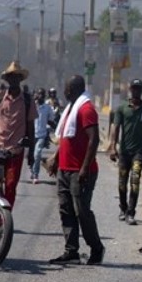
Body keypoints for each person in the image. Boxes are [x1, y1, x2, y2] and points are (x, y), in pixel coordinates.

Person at [46, 75, 105, 266]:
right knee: (66, 209)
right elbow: (66, 138)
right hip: (65, 169)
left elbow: (94, 139)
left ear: (72, 89)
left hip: (80, 171)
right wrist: (56, 158)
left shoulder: (86, 109)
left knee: (82, 212)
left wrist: (84, 168)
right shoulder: (70, 110)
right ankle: (71, 250)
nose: (64, 91)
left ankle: (96, 248)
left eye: (66, 88)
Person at [0, 61, 37, 208]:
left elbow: (31, 128)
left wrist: (31, 152)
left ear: (20, 79)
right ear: (7, 79)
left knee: (10, 186)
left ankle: (3, 220)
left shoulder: (28, 100)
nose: (13, 79)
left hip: (16, 152)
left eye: (16, 77)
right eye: (11, 77)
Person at [107, 78, 142, 225]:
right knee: (122, 182)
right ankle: (123, 208)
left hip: (138, 152)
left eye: (138, 89)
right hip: (124, 152)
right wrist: (113, 147)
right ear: (130, 90)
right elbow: (116, 128)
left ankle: (131, 212)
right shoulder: (122, 108)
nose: (136, 91)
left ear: (141, 91)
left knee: (134, 181)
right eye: (133, 88)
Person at [30, 87, 56, 184]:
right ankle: (32, 171)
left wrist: (56, 128)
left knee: (37, 154)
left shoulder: (47, 108)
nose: (40, 96)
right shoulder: (33, 106)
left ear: (44, 96)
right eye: (38, 94)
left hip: (41, 135)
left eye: (42, 94)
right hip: (32, 135)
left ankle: (36, 174)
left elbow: (51, 120)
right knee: (32, 156)